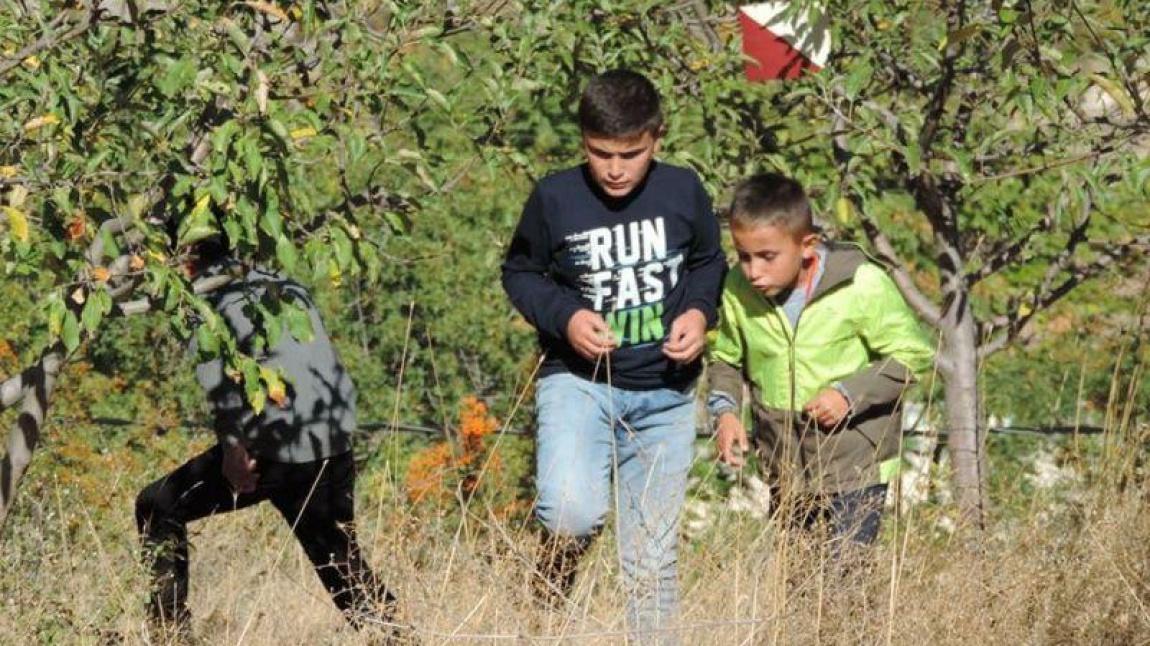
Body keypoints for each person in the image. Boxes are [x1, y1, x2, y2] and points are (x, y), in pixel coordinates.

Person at [501, 69, 726, 642]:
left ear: (657, 138)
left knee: (652, 559)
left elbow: (708, 263)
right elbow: (520, 271)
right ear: (583, 141)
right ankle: (550, 581)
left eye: (631, 153)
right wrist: (567, 317)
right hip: (579, 384)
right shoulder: (555, 198)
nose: (616, 168)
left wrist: (699, 315)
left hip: (668, 396)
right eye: (601, 153)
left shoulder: (683, 190)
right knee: (572, 513)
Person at [134, 239, 403, 639]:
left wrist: (233, 450)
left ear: (184, 252)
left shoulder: (204, 298)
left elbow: (219, 382)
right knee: (338, 558)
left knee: (157, 505)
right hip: (333, 438)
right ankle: (397, 636)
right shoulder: (284, 283)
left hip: (276, 450)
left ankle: (169, 635)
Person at [708, 173, 935, 558]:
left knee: (843, 574)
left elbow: (913, 355)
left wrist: (848, 395)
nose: (753, 271)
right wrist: (725, 412)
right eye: (743, 256)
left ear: (807, 246)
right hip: (785, 464)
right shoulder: (736, 289)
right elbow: (726, 357)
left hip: (855, 461)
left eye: (767, 257)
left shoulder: (861, 283)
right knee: (798, 582)